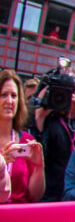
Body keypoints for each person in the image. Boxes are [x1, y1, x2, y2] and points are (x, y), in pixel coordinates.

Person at [32, 64, 75, 201]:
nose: (74, 93)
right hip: (50, 197)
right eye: (71, 88)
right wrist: (40, 116)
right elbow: (37, 150)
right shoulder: (51, 118)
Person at [0, 69, 44, 203]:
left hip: (19, 214)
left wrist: (39, 167)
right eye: (4, 95)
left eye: (14, 96)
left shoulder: (27, 140)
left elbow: (35, 196)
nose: (9, 101)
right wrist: (2, 164)